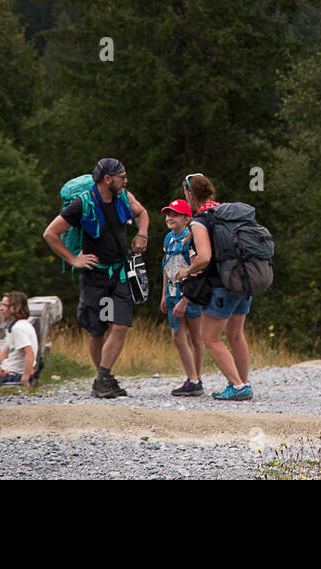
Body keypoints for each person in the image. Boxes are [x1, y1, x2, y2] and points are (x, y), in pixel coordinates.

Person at [42, 157, 150, 399]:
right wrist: (73, 259)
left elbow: (142, 212)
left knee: (121, 325)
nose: (126, 180)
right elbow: (50, 233)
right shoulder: (83, 204)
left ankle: (103, 376)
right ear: (107, 179)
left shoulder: (123, 196)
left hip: (119, 273)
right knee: (98, 329)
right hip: (96, 276)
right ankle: (104, 378)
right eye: (122, 176)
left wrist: (142, 234)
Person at [174, 173, 252, 400]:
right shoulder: (226, 212)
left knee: (211, 338)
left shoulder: (201, 220)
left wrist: (186, 272)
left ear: (190, 194)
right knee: (236, 334)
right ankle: (243, 382)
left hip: (221, 286)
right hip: (243, 281)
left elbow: (204, 257)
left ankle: (237, 386)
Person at [160, 199, 206, 396]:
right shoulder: (168, 239)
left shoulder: (191, 239)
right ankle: (193, 378)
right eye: (168, 214)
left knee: (195, 338)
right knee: (178, 336)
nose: (170, 218)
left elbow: (197, 270)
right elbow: (166, 267)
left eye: (175, 214)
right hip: (171, 294)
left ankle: (195, 380)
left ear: (187, 219)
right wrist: (163, 295)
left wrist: (185, 299)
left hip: (189, 295)